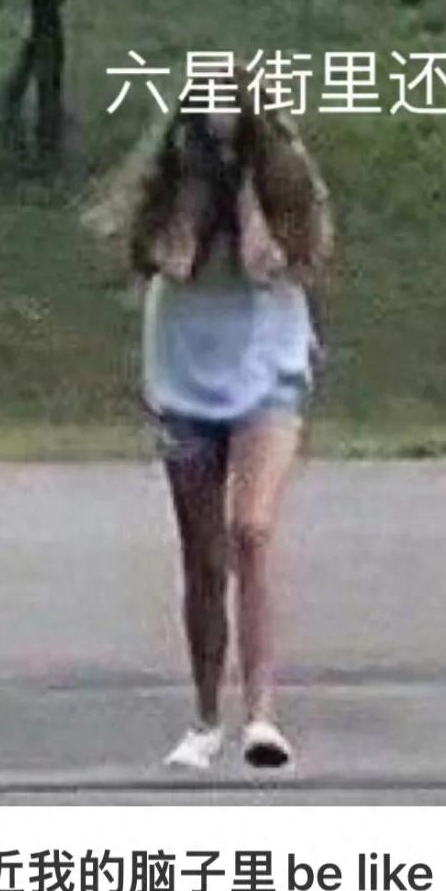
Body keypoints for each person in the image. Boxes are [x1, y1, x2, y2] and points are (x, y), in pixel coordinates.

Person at [99, 85, 333, 770]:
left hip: (267, 372)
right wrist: (198, 178)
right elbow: (175, 261)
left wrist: (253, 174)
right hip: (185, 378)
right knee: (203, 559)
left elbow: (263, 263)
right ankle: (206, 717)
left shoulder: (282, 182)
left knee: (251, 532)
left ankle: (261, 715)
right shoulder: (173, 186)